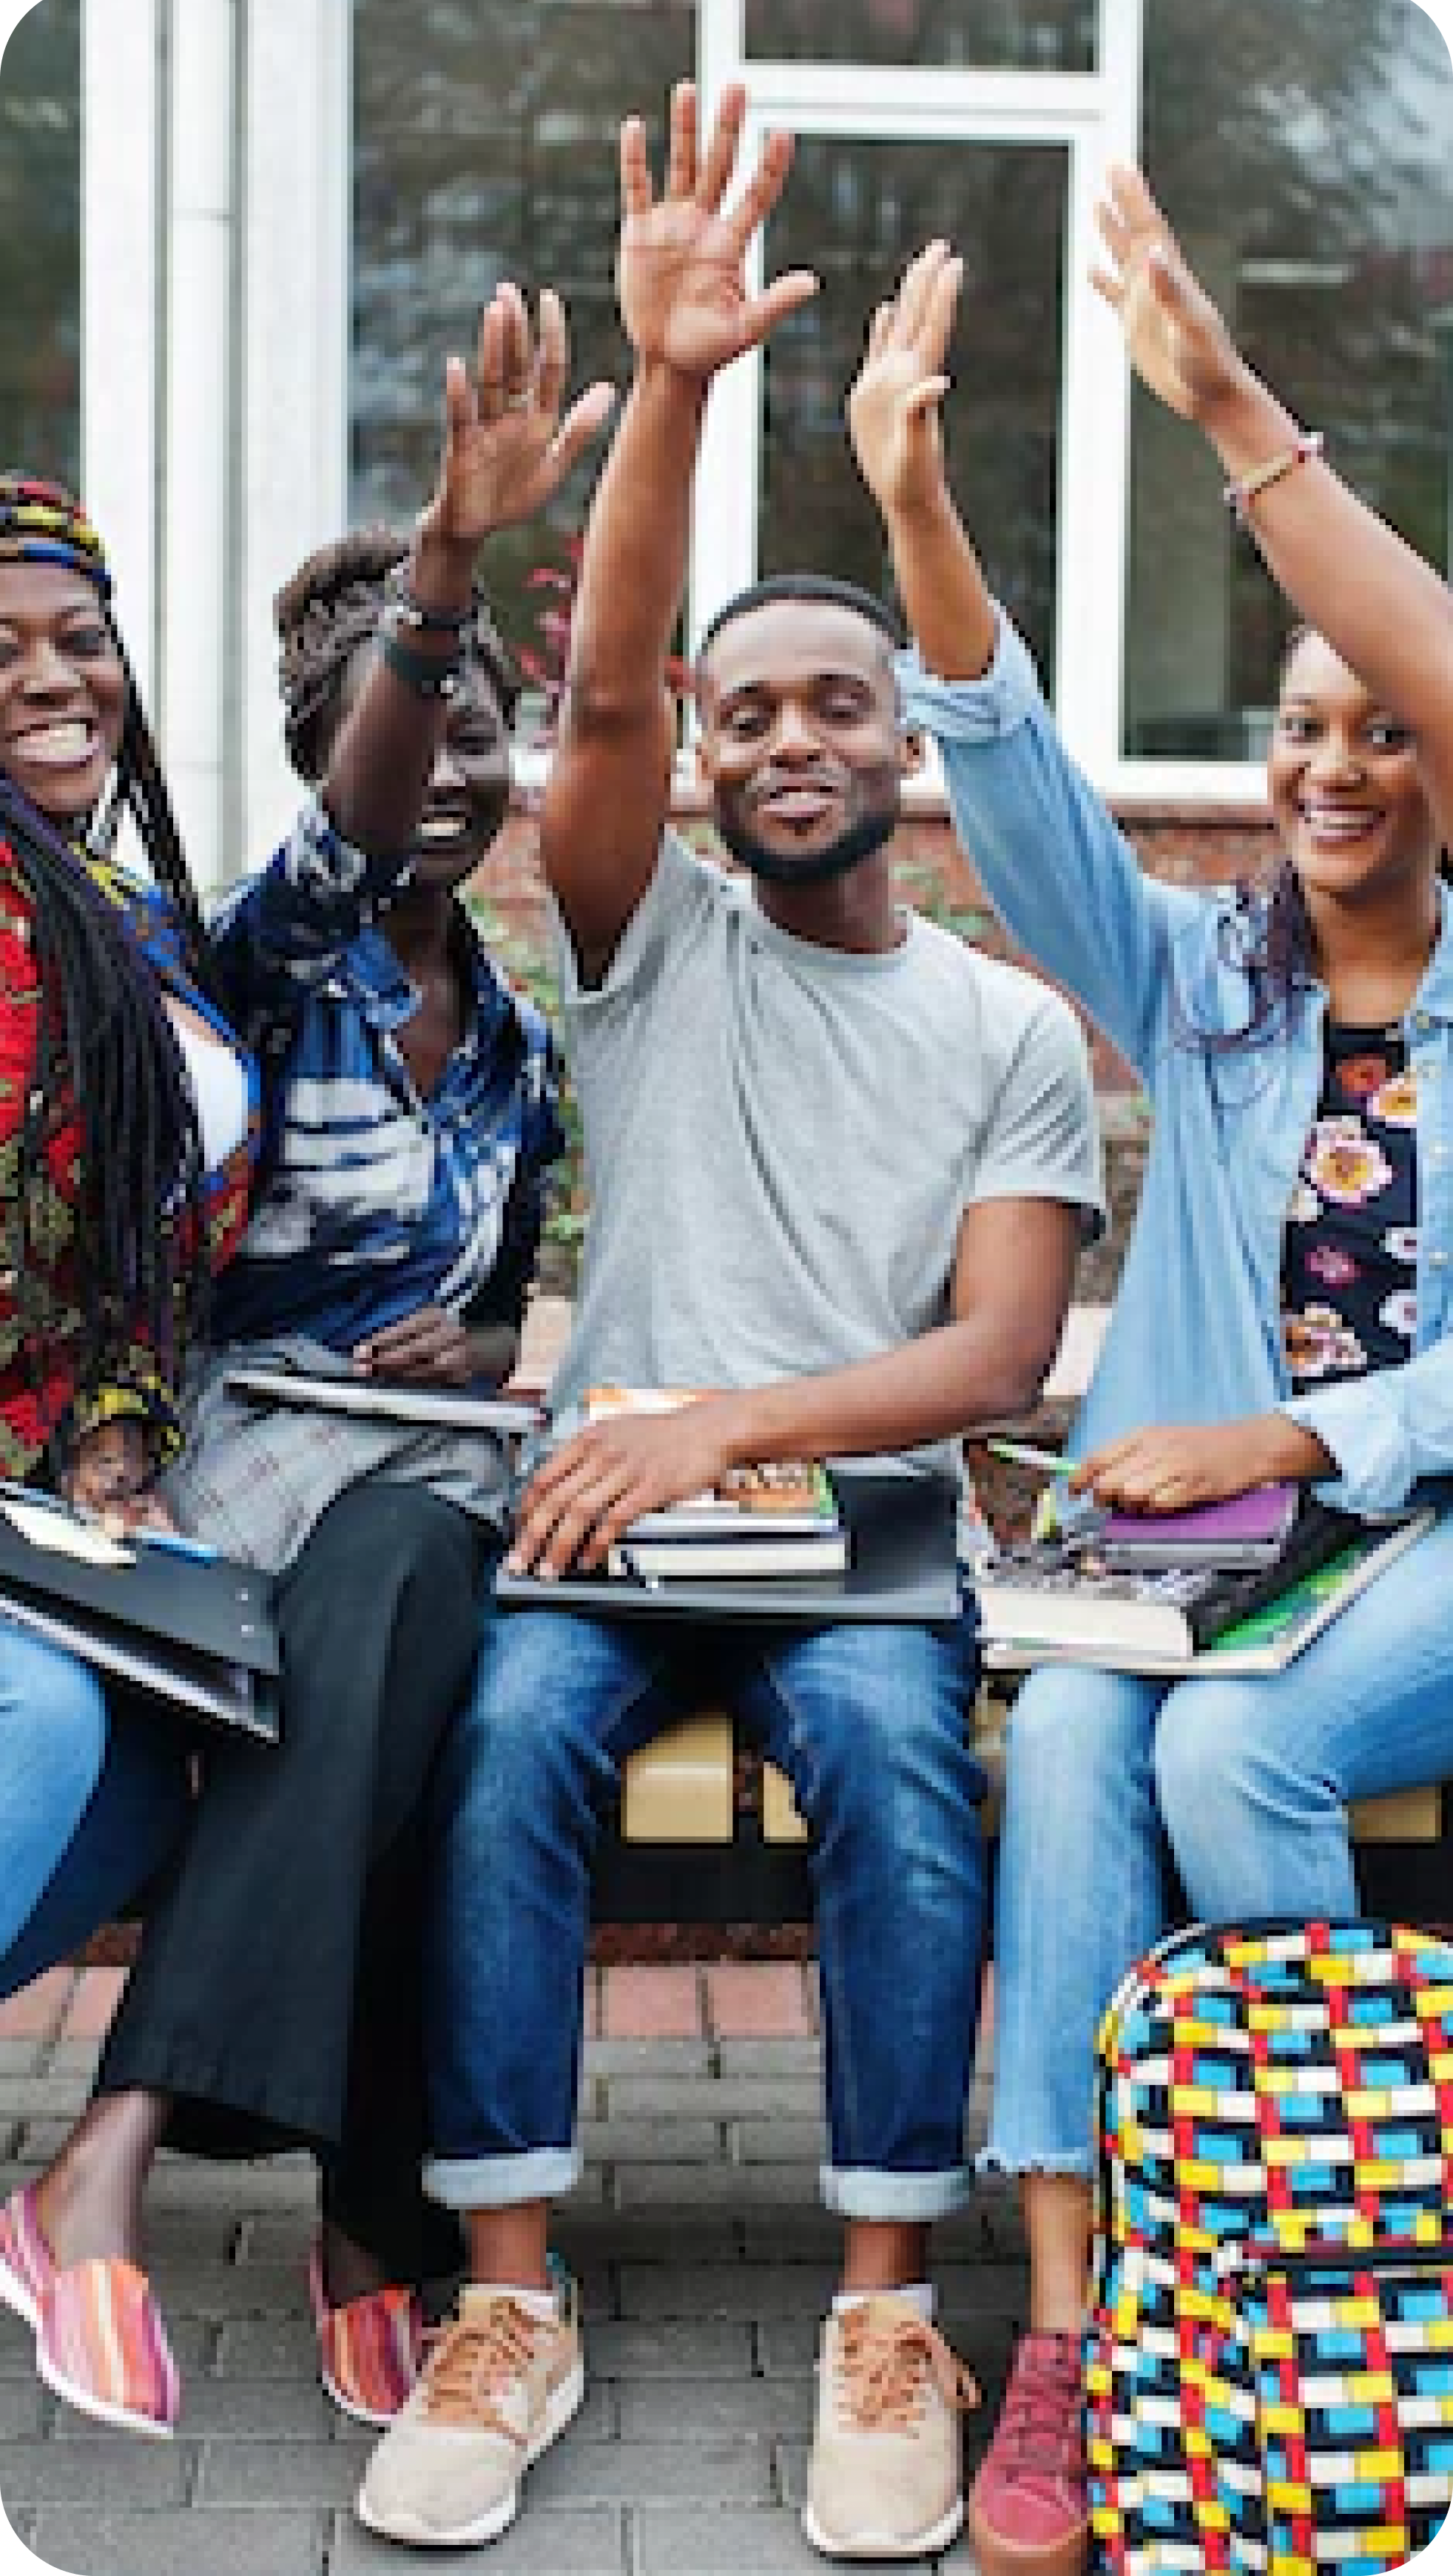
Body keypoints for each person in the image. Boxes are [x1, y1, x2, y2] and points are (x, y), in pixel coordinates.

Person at [353, 84, 1102, 2562]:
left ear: (904, 749)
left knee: (910, 1781)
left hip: (849, 1540)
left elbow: (996, 1358)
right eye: (742, 710)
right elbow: (580, 718)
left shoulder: (999, 1024)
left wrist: (720, 1425)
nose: (789, 739)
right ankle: (506, 2293)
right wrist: (667, 381)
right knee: (509, 1756)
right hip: (602, 1525)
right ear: (705, 745)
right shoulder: (642, 939)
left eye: (834, 707)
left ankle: (884, 2299)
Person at [842, 177, 1453, 2576]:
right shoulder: (1212, 985)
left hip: (1403, 1540)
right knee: (1093, 1721)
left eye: (1381, 727)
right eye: (1298, 729)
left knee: (1230, 1739)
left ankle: (1325, 2257)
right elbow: (1001, 790)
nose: (1329, 771)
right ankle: (1091, 2337)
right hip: (1196, 1556)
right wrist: (911, 499)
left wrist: (1307, 1433)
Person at [0, 288, 613, 2438]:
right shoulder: (249, 960)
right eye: (403, 737)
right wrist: (444, 569)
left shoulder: (529, 1040)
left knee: (406, 1651)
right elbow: (336, 869)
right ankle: (342, 2214)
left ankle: (164, 2165)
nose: (443, 782)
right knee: (384, 1645)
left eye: (472, 738)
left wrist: (490, 1340)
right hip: (238, 1482)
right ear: (322, 760)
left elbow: (523, 1273)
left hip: (424, 1472)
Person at [0, 470, 259, 1990]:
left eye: (80, 637)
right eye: (3, 646)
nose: (50, 676)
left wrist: (112, 1435)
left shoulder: (122, 916)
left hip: (55, 1510)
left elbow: (130, 1259)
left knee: (152, 1773)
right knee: (46, 1720)